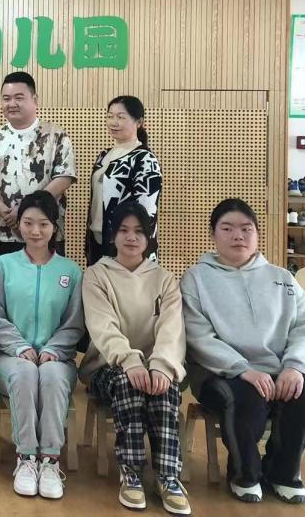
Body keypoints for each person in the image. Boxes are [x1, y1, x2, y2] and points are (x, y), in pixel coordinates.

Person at [182, 199, 305, 505]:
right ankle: (244, 474)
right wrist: (242, 369)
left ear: (257, 234)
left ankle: (283, 473)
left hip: (279, 369)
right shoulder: (196, 278)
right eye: (227, 229)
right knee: (246, 400)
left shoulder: (282, 278)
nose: (238, 236)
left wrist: (295, 366)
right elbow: (198, 336)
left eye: (246, 229)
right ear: (213, 234)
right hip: (220, 372)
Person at [79, 203, 190, 514]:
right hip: (107, 367)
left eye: (139, 231)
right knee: (130, 384)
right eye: (124, 230)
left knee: (164, 388)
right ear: (112, 235)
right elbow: (102, 326)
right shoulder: (96, 275)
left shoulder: (165, 279)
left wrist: (161, 366)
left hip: (155, 367)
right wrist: (130, 361)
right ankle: (131, 473)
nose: (131, 237)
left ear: (149, 236)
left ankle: (168, 476)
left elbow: (172, 328)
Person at [0, 190, 84, 500]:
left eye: (43, 224)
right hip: (9, 358)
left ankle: (50, 460)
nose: (35, 231)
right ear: (19, 226)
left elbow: (74, 323)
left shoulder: (71, 272)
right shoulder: (2, 266)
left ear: (55, 227)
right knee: (25, 373)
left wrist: (54, 349)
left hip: (58, 359)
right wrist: (18, 347)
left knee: (52, 376)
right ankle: (27, 457)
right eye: (28, 223)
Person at [0, 72, 76, 259]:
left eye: (19, 98)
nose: (11, 103)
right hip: (5, 231)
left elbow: (64, 177)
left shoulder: (56, 135)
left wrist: (24, 209)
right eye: (6, 99)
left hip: (46, 232)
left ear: (34, 100)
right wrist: (6, 213)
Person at [85, 96, 162, 265]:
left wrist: (133, 240)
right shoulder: (104, 155)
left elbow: (147, 210)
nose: (114, 122)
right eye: (110, 116)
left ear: (139, 122)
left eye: (121, 117)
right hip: (97, 239)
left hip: (128, 243)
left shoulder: (144, 158)